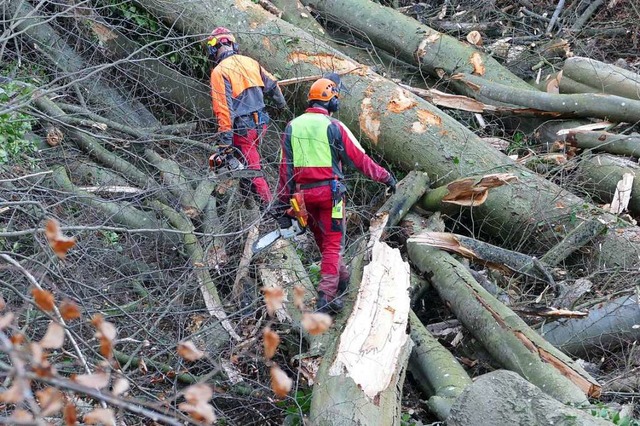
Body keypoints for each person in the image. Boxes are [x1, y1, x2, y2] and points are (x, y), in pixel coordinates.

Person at [276, 75, 396, 314]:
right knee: (332, 245)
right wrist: (386, 177)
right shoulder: (334, 127)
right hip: (330, 195)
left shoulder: (292, 126)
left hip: (303, 196)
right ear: (330, 100)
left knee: (323, 243)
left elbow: (285, 169)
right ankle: (325, 299)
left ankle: (343, 281)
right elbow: (359, 159)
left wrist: (281, 205)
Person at [206, 27, 287, 205]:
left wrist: (224, 144)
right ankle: (248, 201)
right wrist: (281, 107)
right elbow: (273, 85)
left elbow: (224, 111)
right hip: (260, 124)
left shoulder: (219, 72)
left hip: (244, 129)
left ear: (213, 48)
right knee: (244, 161)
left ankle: (271, 207)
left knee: (252, 167)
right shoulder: (250, 62)